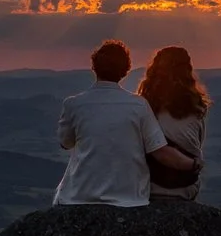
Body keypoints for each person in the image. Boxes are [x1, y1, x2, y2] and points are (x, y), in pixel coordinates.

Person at [52, 39, 197, 207]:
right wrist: (193, 164)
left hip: (80, 195)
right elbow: (160, 151)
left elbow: (65, 143)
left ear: (94, 67)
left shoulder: (73, 104)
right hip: (130, 197)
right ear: (125, 71)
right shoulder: (139, 105)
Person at [138, 45, 210, 202]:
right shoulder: (197, 108)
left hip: (149, 187)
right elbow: (197, 145)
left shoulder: (143, 106)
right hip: (186, 187)